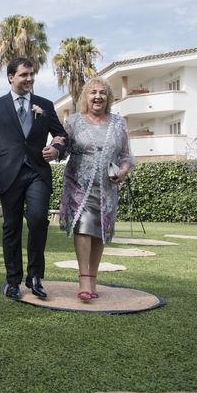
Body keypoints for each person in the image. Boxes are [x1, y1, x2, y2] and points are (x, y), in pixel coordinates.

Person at [0, 57, 67, 300]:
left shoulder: (45, 105)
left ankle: (35, 276)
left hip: (37, 172)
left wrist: (57, 150)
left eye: (32, 75)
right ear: (11, 77)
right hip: (9, 175)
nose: (29, 79)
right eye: (24, 75)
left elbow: (61, 136)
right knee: (12, 227)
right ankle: (13, 281)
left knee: (39, 219)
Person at [59, 77, 134, 301]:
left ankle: (93, 278)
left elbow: (126, 155)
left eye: (102, 92)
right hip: (78, 185)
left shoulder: (119, 123)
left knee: (100, 230)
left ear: (109, 97)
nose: (98, 96)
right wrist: (53, 148)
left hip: (107, 187)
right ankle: (83, 279)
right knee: (83, 226)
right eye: (93, 92)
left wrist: (123, 170)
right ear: (86, 97)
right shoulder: (73, 122)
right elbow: (63, 150)